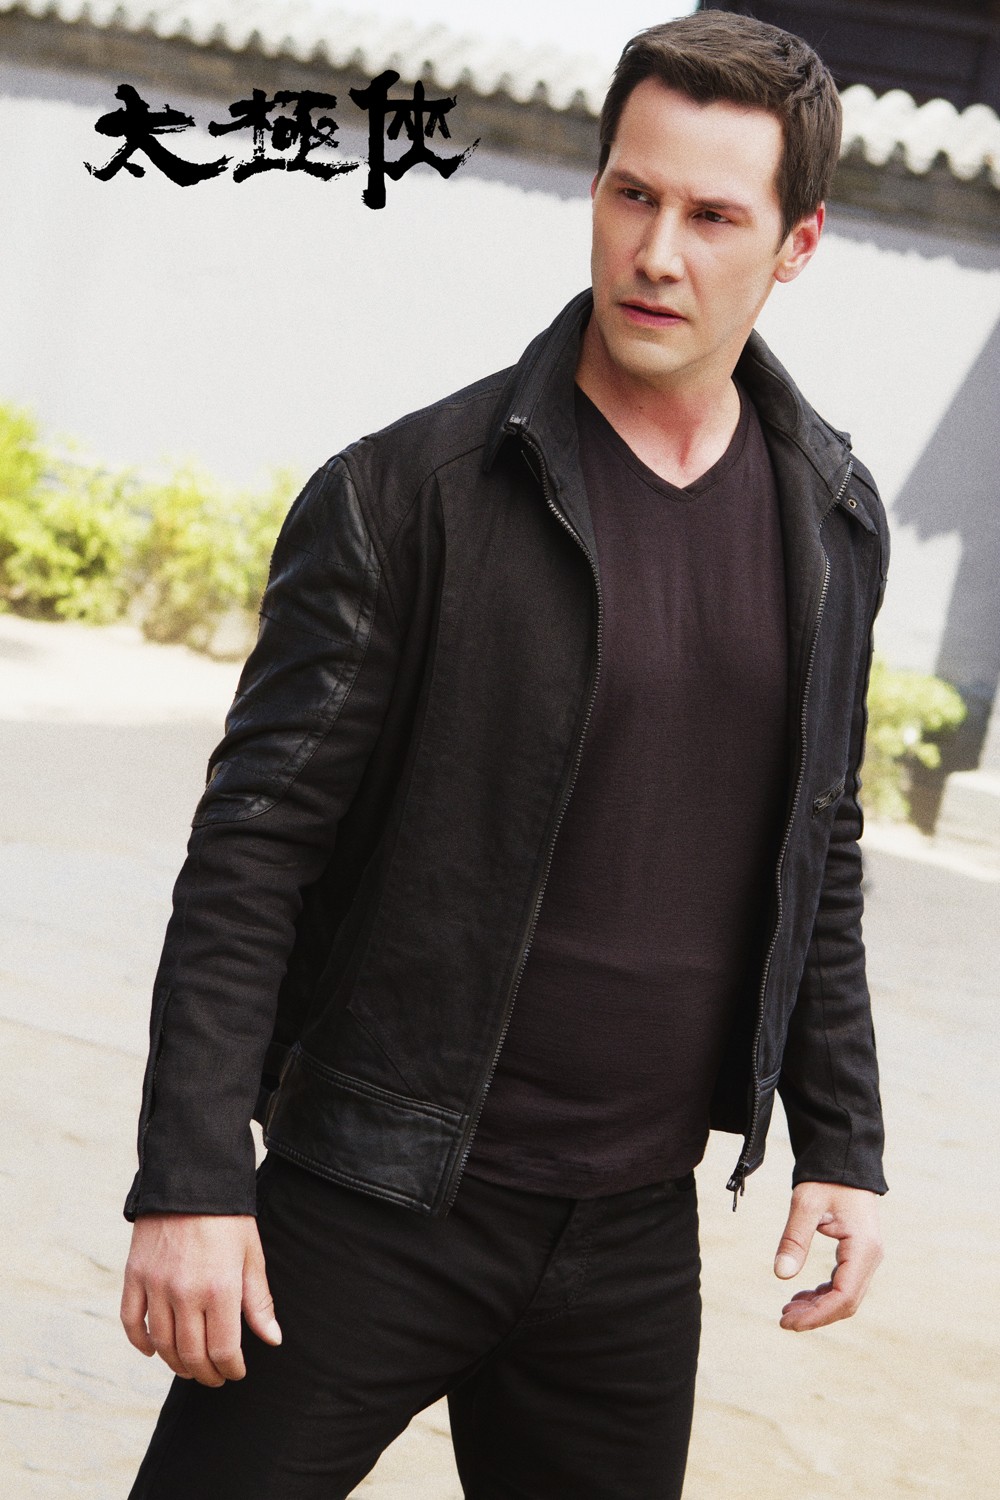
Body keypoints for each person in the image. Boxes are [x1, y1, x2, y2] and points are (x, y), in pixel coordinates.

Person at [121, 11, 888, 1498]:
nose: (656, 253)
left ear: (797, 244)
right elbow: (253, 851)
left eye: (713, 217)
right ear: (595, 190)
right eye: (631, 195)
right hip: (372, 1196)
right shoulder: (408, 496)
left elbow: (824, 840)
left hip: (631, 1235)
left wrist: (843, 1142)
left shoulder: (830, 521)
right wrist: (193, 1180)